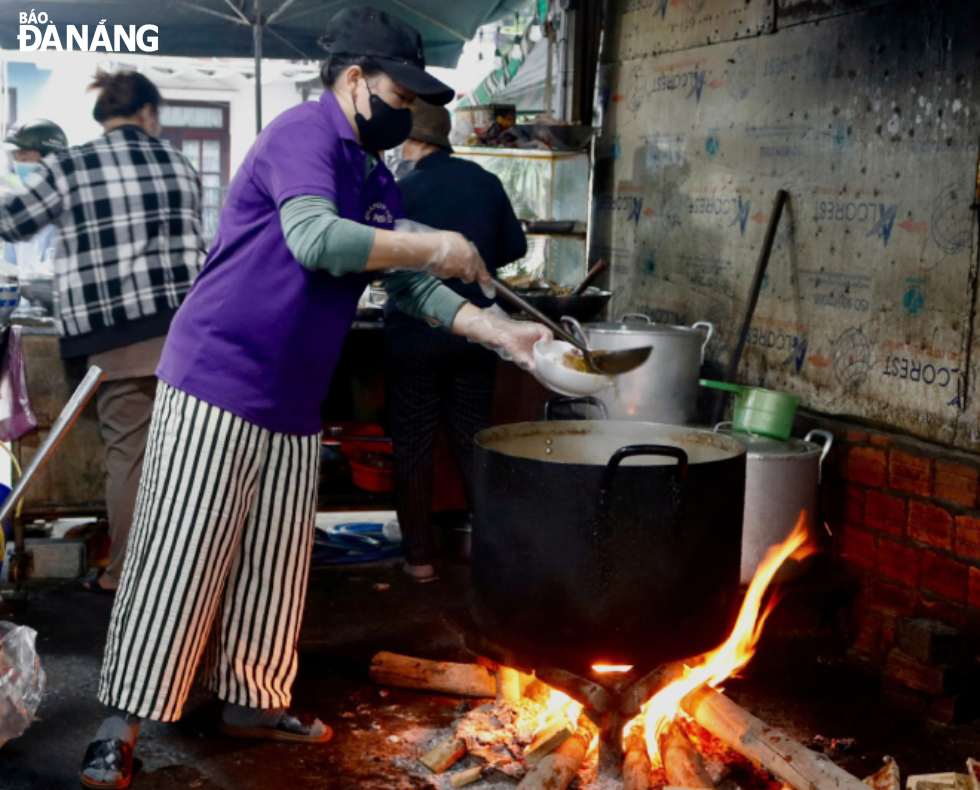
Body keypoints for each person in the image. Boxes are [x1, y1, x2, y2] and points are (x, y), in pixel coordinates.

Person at [79, 8, 550, 789]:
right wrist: (435, 241)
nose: (404, 114)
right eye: (400, 94)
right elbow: (315, 239)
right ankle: (118, 721)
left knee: (275, 565)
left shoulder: (369, 172)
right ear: (356, 80)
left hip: (296, 397)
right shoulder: (303, 134)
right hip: (218, 380)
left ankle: (255, 701)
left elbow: (400, 279)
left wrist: (501, 334)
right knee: (179, 553)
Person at [0, 73, 205, 597]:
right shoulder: (179, 164)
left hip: (117, 336)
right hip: (188, 334)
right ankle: (186, 571)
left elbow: (13, 221)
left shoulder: (71, 165)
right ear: (150, 114)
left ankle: (127, 577)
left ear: (103, 116)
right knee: (185, 456)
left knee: (130, 455)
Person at [386, 100, 528, 582]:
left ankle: (419, 560)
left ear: (412, 141)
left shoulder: (399, 189)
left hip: (414, 335)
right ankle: (492, 559)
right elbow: (516, 247)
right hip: (478, 333)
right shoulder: (484, 181)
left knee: (413, 444)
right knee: (473, 442)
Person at [2, 119, 68, 275]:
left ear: (51, 161)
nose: (19, 166)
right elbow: (10, 270)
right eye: (16, 159)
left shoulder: (70, 211)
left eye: (24, 159)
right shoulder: (19, 210)